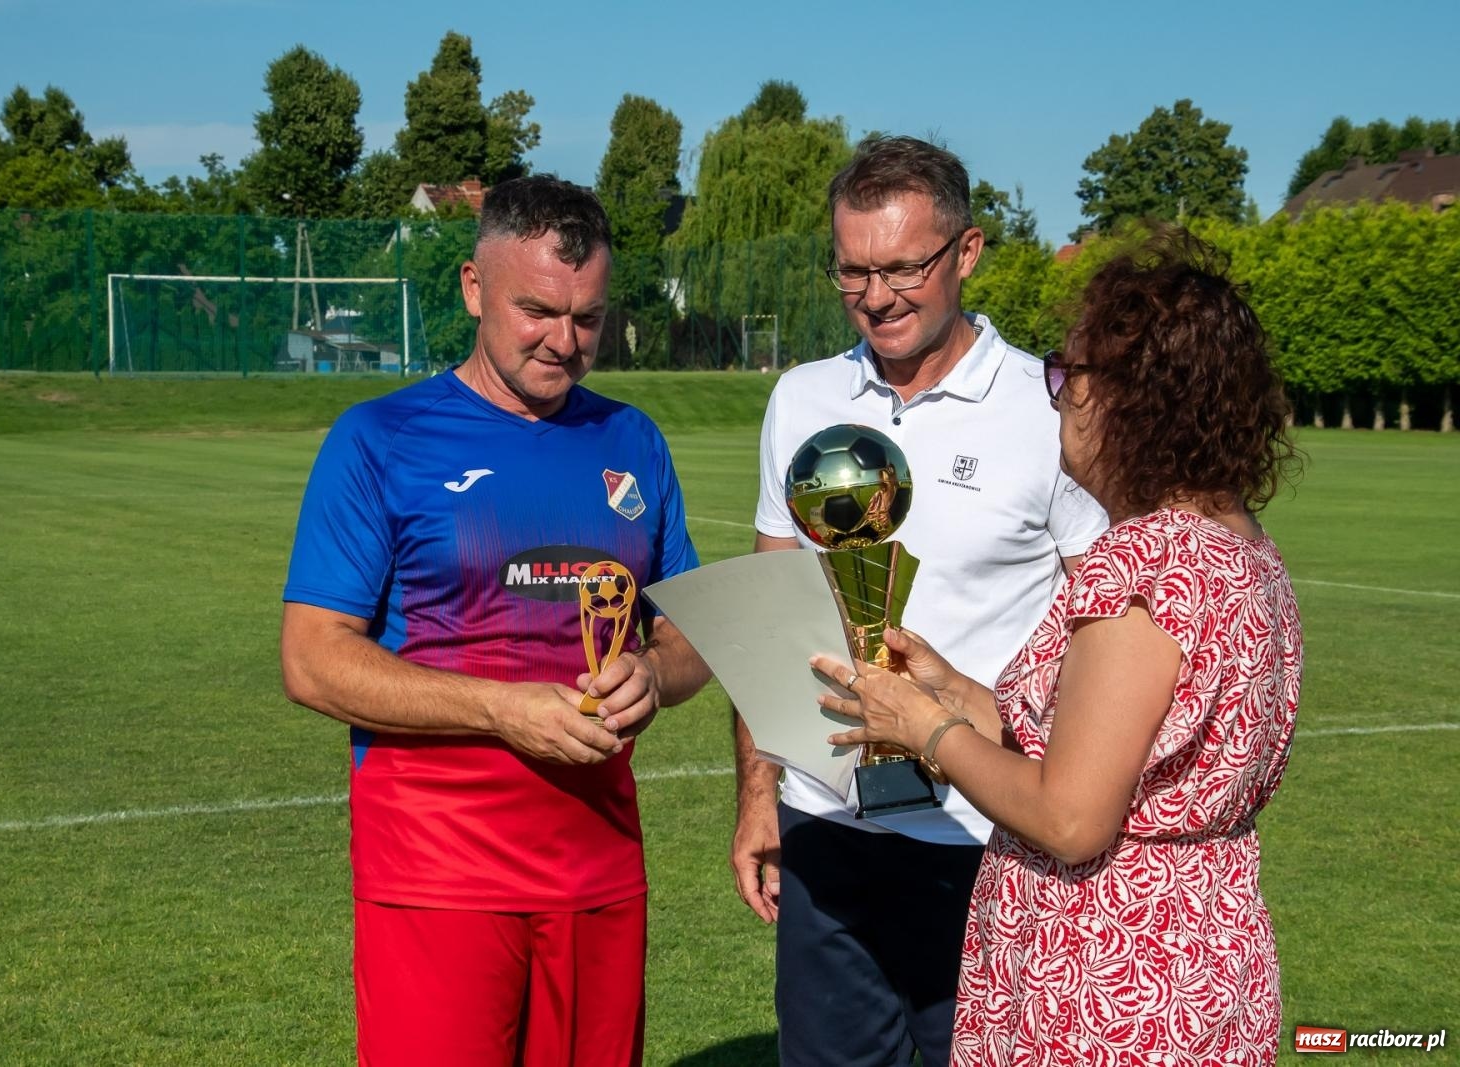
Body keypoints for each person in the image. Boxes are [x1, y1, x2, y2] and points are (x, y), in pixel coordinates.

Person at [812, 233, 1303, 1065]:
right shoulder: (1242, 550)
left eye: (1068, 375)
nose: (1058, 398)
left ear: (1136, 399)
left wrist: (920, 728)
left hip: (1109, 972)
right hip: (1202, 949)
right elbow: (1123, 748)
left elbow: (1072, 817)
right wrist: (958, 694)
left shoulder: (1144, 564)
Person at [280, 175, 711, 1067]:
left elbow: (691, 629)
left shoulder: (633, 441)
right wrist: (500, 710)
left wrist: (656, 675)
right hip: (437, 873)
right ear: (475, 287)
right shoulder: (380, 439)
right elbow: (315, 660)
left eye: (588, 317)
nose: (566, 341)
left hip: (599, 872)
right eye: (538, 310)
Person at [731, 135, 1108, 1067]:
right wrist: (758, 799)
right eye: (852, 271)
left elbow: (1103, 631)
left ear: (968, 252)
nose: (877, 296)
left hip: (986, 838)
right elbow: (770, 612)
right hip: (825, 825)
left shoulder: (1048, 409)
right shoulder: (802, 396)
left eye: (902, 267)